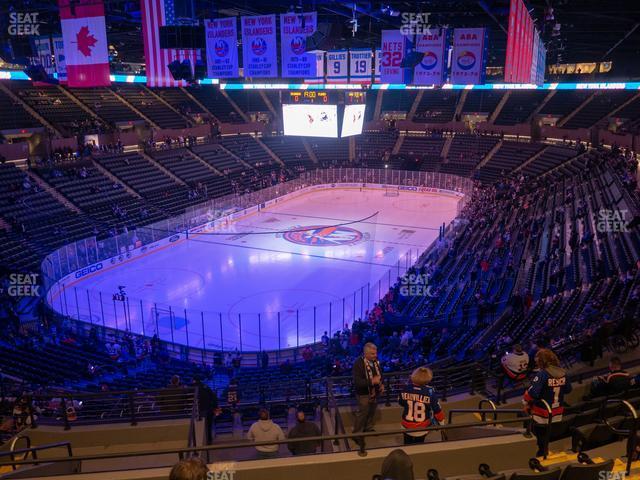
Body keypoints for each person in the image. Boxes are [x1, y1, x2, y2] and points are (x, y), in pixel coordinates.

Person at [522, 349, 572, 456]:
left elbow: (533, 394)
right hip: (557, 411)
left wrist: (528, 391)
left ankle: (540, 451)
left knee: (528, 419)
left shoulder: (542, 374)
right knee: (546, 433)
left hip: (542, 412)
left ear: (542, 361)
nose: (536, 364)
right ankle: (543, 449)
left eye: (537, 362)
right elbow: (568, 390)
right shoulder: (563, 373)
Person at [398, 367, 444, 445]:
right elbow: (437, 411)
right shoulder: (430, 392)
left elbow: (401, 403)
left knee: (406, 444)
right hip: (422, 427)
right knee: (419, 445)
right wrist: (442, 423)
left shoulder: (405, 388)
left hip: (406, 425)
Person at [352, 343, 384, 445]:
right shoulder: (358, 363)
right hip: (363, 394)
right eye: (372, 354)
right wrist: (371, 382)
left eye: (375, 353)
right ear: (365, 354)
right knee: (362, 414)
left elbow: (379, 375)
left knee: (371, 411)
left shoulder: (375, 362)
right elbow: (357, 382)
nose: (375, 355)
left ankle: (368, 428)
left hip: (374, 392)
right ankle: (356, 434)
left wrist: (381, 384)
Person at [193, 376, 220, 445]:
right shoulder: (206, 387)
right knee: (209, 426)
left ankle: (200, 442)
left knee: (199, 427)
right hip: (209, 410)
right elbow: (214, 397)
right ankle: (209, 440)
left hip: (199, 411)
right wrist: (216, 409)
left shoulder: (193, 388)